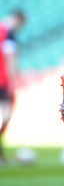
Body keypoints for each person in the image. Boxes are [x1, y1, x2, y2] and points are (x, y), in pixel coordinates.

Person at [0, 11, 25, 163]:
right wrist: (12, 83)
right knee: (6, 115)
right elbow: (11, 60)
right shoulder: (9, 34)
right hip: (3, 82)